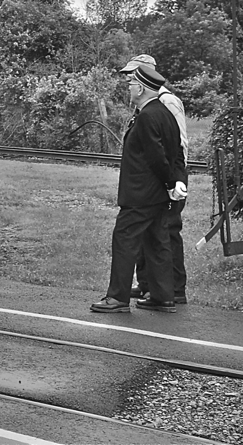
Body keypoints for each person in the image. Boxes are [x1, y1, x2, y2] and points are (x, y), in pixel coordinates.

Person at [91, 63, 186, 314]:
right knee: (157, 241)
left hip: (141, 194)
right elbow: (176, 154)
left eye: (132, 83)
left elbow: (157, 157)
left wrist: (168, 182)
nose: (129, 88)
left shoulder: (146, 116)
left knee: (124, 239)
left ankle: (117, 297)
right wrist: (174, 183)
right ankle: (163, 296)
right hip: (157, 196)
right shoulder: (165, 114)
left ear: (142, 88)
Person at [120, 54, 190, 304]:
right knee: (149, 234)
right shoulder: (145, 103)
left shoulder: (166, 101)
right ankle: (149, 285)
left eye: (133, 72)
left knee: (167, 232)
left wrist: (175, 180)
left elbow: (176, 144)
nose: (128, 77)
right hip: (155, 178)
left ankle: (174, 289)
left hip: (168, 178)